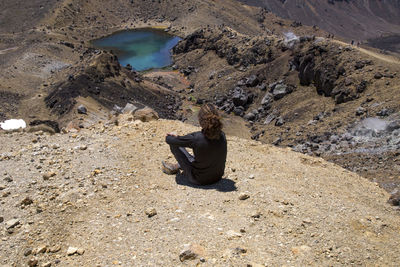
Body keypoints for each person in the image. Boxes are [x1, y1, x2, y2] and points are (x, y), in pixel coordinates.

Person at [163, 103, 227, 185]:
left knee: (174, 144)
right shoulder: (222, 135)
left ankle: (179, 166)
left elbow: (169, 140)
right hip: (217, 177)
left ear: (201, 120)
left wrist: (175, 136)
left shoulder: (196, 138)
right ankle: (179, 165)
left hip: (198, 180)